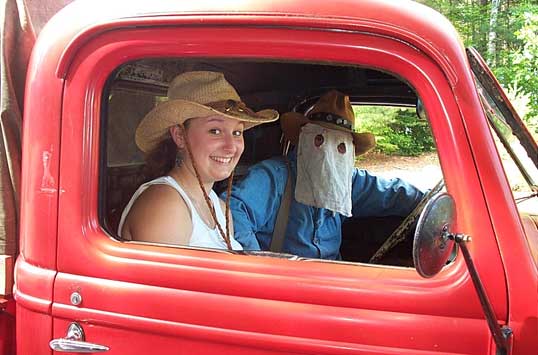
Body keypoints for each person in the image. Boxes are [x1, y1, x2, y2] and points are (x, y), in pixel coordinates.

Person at [225, 90, 425, 259]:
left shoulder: (348, 180)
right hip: (284, 289)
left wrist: (434, 203)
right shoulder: (274, 177)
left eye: (340, 147)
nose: (328, 154)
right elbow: (232, 211)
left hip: (333, 283)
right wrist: (259, 267)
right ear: (303, 139)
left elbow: (393, 193)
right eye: (319, 140)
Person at [118, 71, 278, 250]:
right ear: (180, 136)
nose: (231, 147)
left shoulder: (219, 207)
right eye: (215, 131)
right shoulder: (166, 204)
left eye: (237, 132)